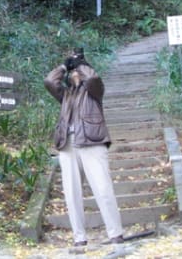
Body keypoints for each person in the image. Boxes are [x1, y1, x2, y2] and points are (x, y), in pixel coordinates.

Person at [44, 48, 124, 246]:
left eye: (77, 70)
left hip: (92, 142)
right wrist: (64, 65)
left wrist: (81, 63)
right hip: (67, 145)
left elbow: (93, 78)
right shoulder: (65, 95)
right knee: (71, 194)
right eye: (72, 71)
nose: (75, 72)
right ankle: (79, 237)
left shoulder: (93, 92)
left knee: (103, 189)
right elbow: (49, 81)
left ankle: (115, 233)